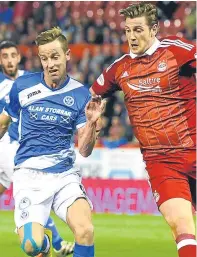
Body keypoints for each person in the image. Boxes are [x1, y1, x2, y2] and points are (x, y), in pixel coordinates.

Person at [90, 3, 196, 257]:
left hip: (194, 147)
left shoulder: (176, 51)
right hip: (161, 163)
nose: (132, 36)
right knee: (181, 226)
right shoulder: (119, 68)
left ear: (154, 29)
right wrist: (93, 116)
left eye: (138, 29)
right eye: (128, 30)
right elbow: (92, 94)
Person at [0, 40, 75, 256]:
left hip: (24, 147)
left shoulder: (28, 80)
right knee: (31, 196)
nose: (9, 60)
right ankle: (56, 243)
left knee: (28, 195)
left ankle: (50, 241)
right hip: (6, 146)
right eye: (5, 56)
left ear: (18, 57)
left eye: (13, 55)